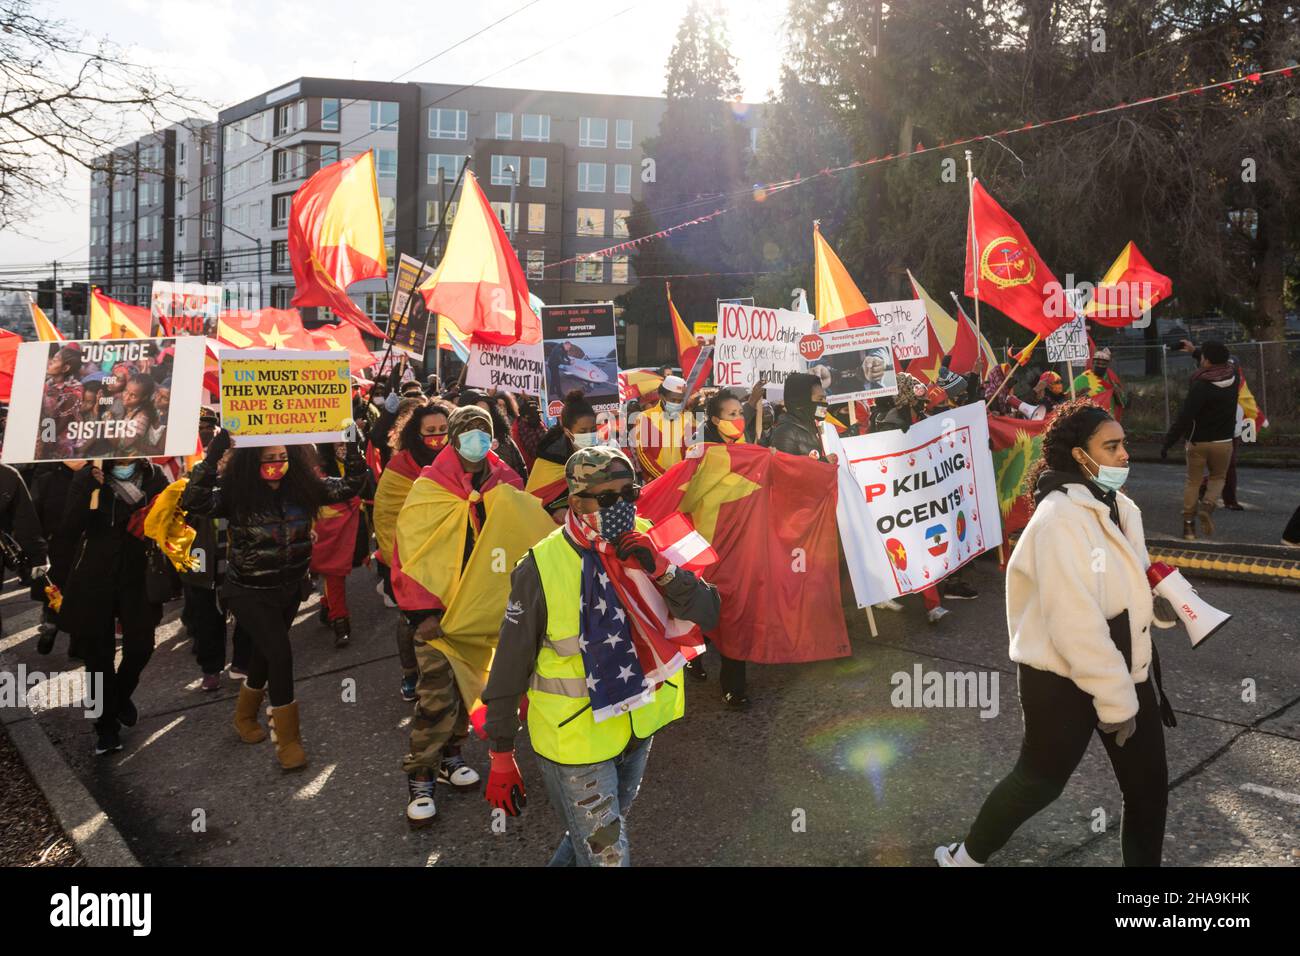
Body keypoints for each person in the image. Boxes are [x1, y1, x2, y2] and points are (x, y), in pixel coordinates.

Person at [936, 400, 1175, 867]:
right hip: (1060, 679)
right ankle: (964, 859)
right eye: (1111, 446)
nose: (1125, 454)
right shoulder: (1057, 520)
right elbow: (1075, 625)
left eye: (1123, 443)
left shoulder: (1121, 508)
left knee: (1149, 789)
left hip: (1127, 666)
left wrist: (1166, 599)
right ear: (1079, 456)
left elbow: (1127, 584)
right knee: (1039, 782)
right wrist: (1117, 702)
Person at [480, 446, 720, 866]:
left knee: (592, 836)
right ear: (575, 502)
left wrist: (662, 570)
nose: (622, 507)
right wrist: (501, 752)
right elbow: (510, 665)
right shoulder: (540, 566)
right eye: (606, 499)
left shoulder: (652, 536)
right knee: (607, 853)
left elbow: (709, 612)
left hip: (638, 724)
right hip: (576, 740)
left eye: (630, 493)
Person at [181, 430, 365, 771]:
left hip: (291, 586)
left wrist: (353, 445)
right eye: (267, 458)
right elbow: (195, 500)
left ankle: (244, 716)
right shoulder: (237, 494)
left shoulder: (305, 489)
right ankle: (289, 740)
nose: (275, 464)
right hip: (248, 591)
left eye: (282, 457)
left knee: (267, 654)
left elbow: (353, 484)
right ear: (252, 461)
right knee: (280, 654)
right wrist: (212, 456)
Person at [394, 406, 520, 826]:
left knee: (472, 687)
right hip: (439, 612)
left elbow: (520, 533)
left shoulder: (505, 480)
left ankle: (451, 757)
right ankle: (421, 776)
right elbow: (410, 551)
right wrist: (422, 611)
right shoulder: (431, 485)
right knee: (435, 695)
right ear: (453, 438)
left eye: (484, 431)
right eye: (468, 431)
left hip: (484, 609)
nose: (477, 439)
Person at [63, 457, 169, 756]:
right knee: (98, 656)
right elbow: (70, 526)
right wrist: (86, 485)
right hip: (94, 575)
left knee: (142, 646)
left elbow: (168, 517)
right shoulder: (88, 476)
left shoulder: (154, 474)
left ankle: (119, 697)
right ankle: (105, 727)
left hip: (138, 574)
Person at [373, 400, 451, 697]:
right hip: (410, 560)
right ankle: (409, 674)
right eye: (430, 430)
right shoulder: (401, 466)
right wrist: (403, 563)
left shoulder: (461, 460)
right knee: (411, 620)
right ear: (416, 433)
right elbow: (387, 518)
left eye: (444, 429)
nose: (437, 435)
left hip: (451, 558)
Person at [180, 409, 252, 690]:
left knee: (246, 616)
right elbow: (192, 502)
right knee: (208, 620)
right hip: (203, 566)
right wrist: (210, 463)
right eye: (219, 456)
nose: (224, 461)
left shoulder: (246, 486)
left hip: (241, 565)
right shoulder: (194, 482)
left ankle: (242, 663)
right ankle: (211, 669)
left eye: (228, 457)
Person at [1160, 340, 1238, 541]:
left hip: (1198, 442)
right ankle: (1208, 506)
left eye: (1203, 356)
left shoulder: (1200, 386)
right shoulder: (1234, 375)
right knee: (1218, 478)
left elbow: (1185, 417)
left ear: (1208, 361)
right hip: (1224, 442)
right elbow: (1222, 359)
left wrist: (1168, 442)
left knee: (1193, 482)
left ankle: (1188, 527)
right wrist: (1196, 351)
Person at [311, 440, 376, 648]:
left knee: (339, 572)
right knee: (334, 573)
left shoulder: (359, 463)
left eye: (344, 443)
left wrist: (351, 437)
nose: (341, 448)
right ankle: (341, 623)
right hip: (326, 529)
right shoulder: (316, 471)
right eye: (336, 444)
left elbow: (368, 490)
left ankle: (325, 605)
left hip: (356, 525)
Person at [30, 461, 82, 657]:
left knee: (84, 596)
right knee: (55, 592)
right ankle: (51, 625)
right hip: (56, 548)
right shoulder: (46, 479)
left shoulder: (100, 478)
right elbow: (34, 516)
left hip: (87, 546)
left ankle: (78, 645)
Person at [527, 389, 600, 521]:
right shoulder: (548, 461)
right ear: (567, 431)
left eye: (593, 430)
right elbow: (533, 500)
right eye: (583, 431)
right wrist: (553, 509)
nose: (589, 435)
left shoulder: (604, 454)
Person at [631, 375, 693, 480]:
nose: (677, 404)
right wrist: (663, 478)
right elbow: (642, 453)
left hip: (681, 480)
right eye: (673, 400)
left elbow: (692, 451)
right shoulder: (644, 417)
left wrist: (682, 476)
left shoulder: (688, 418)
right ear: (661, 396)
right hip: (655, 481)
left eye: (680, 401)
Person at [765, 372, 833, 462]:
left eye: (825, 398)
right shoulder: (785, 432)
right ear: (801, 401)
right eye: (820, 399)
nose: (825, 403)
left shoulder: (817, 427)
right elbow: (787, 469)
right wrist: (825, 463)